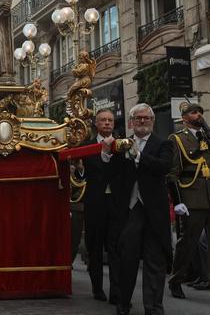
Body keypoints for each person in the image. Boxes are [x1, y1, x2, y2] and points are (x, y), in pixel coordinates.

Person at [102, 103, 173, 315]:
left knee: (154, 261)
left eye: (146, 118)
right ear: (131, 122)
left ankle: (154, 307)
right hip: (129, 210)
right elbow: (112, 174)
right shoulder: (121, 144)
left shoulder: (163, 144)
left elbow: (164, 167)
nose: (142, 121)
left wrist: (139, 156)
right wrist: (107, 154)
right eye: (138, 118)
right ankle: (123, 303)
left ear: (152, 121)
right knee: (127, 260)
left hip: (153, 212)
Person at [168, 102, 210, 307]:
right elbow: (172, 173)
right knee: (188, 242)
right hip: (192, 198)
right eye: (193, 112)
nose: (198, 115)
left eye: (200, 112)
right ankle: (176, 279)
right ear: (184, 118)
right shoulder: (178, 139)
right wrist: (178, 201)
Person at [82, 108, 121, 304]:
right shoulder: (86, 146)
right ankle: (97, 288)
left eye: (110, 120)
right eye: (103, 120)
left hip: (116, 205)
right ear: (96, 124)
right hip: (95, 205)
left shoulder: (122, 145)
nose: (107, 123)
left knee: (116, 249)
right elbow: (80, 175)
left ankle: (117, 291)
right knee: (95, 248)